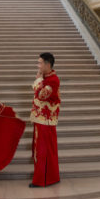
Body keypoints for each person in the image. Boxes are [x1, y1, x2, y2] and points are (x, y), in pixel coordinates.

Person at [29, 52, 61, 188]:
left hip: (45, 120)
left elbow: (42, 95)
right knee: (41, 149)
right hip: (41, 119)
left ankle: (41, 180)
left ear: (48, 64)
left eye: (40, 63)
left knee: (42, 150)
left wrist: (37, 81)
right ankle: (50, 177)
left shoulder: (53, 80)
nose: (38, 65)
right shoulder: (46, 78)